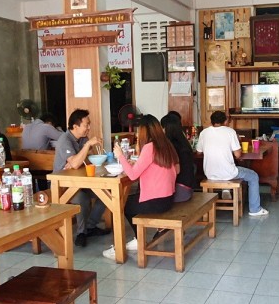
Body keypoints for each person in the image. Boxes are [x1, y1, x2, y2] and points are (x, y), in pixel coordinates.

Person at [106, 115, 180, 259]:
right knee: (129, 202)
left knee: (123, 205)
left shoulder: (149, 147)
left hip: (156, 202)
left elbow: (133, 176)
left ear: (145, 131)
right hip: (168, 198)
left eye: (139, 131)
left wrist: (120, 156)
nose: (138, 134)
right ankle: (138, 238)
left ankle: (125, 246)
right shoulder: (166, 144)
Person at [196, 111, 268, 217]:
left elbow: (198, 152)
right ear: (225, 121)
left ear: (211, 122)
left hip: (210, 173)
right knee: (253, 176)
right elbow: (238, 155)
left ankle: (226, 189)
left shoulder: (204, 133)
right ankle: (255, 209)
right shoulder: (230, 132)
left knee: (227, 170)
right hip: (228, 172)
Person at [54, 109, 107, 247]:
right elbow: (77, 163)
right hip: (63, 184)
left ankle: (90, 226)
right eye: (86, 125)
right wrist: (87, 146)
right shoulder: (64, 140)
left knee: (107, 193)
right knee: (81, 198)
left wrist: (81, 156)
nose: (89, 128)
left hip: (80, 181)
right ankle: (81, 233)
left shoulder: (82, 138)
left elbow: (84, 161)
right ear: (75, 126)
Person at [161, 112, 197, 202]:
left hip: (179, 192)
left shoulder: (170, 146)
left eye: (162, 128)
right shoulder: (183, 143)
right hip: (188, 188)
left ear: (166, 128)